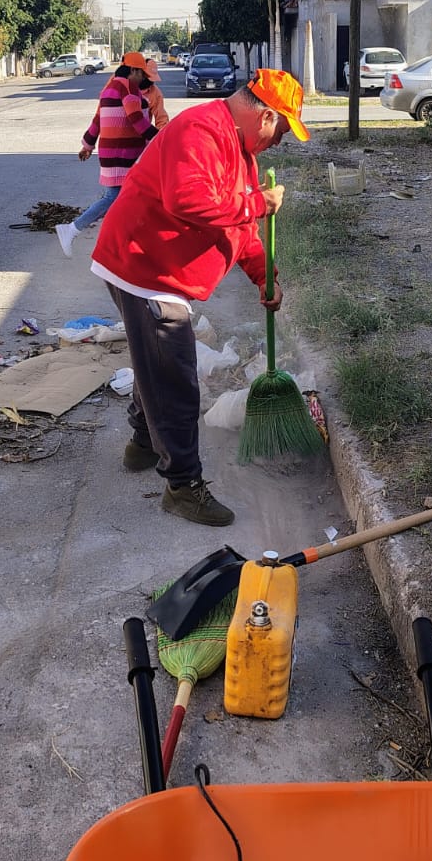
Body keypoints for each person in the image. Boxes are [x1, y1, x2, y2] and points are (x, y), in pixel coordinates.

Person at [90, 69, 310, 527]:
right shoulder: (200, 130)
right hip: (142, 267)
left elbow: (241, 231)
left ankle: (144, 444)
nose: (279, 142)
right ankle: (182, 486)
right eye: (282, 131)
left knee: (157, 366)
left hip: (158, 270)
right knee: (176, 381)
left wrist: (264, 277)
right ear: (266, 116)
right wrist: (258, 204)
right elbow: (187, 201)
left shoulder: (240, 153)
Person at [56, 52, 155, 257]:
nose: (142, 79)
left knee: (122, 199)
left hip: (110, 152)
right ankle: (73, 229)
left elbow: (97, 120)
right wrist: (161, 138)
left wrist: (87, 145)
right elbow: (137, 119)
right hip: (123, 153)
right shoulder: (129, 87)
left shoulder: (109, 88)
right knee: (117, 197)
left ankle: (116, 244)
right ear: (134, 70)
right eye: (141, 74)